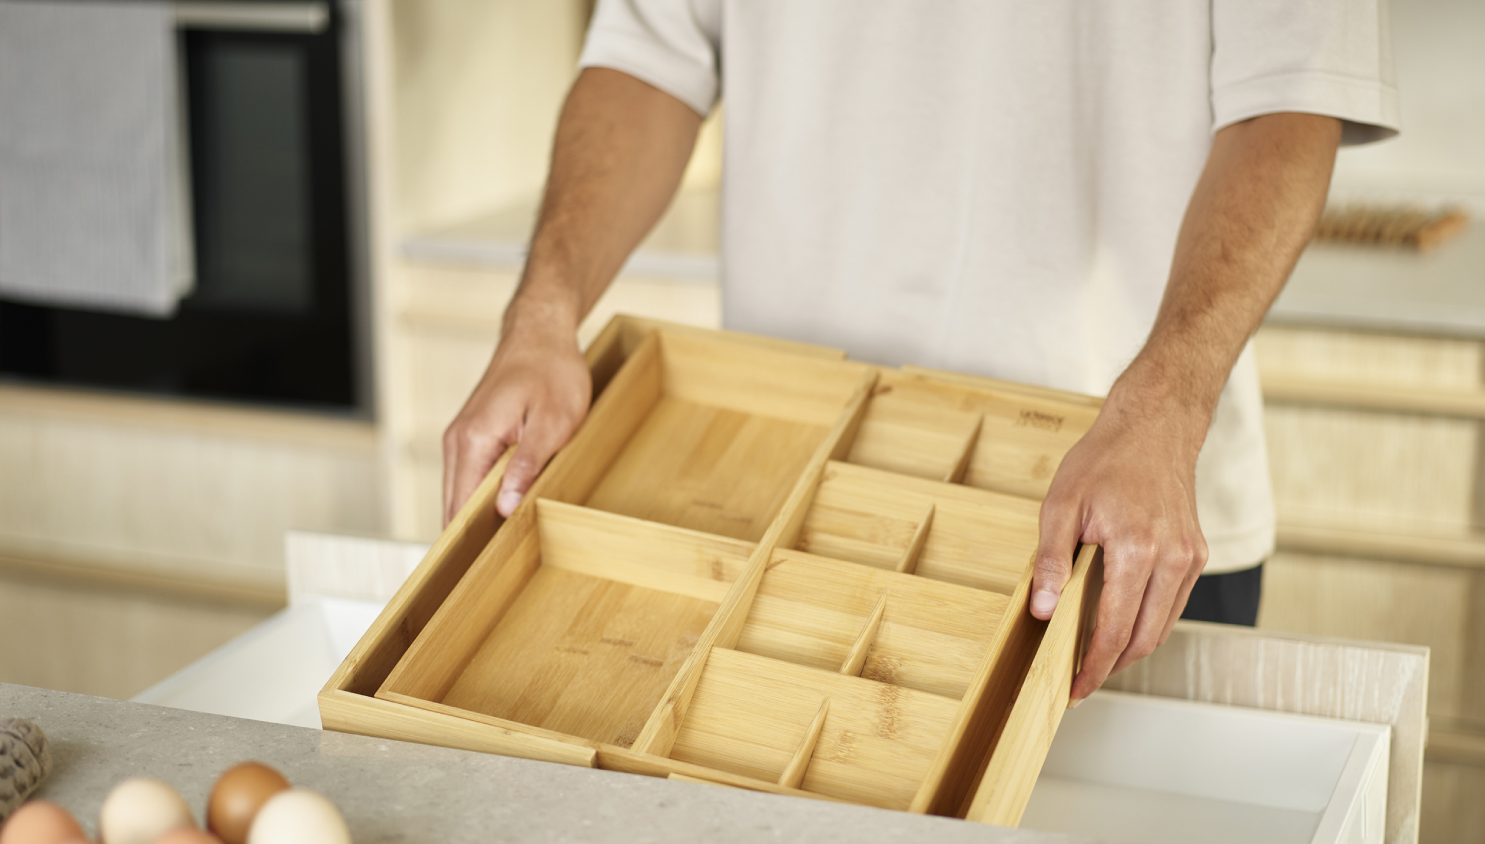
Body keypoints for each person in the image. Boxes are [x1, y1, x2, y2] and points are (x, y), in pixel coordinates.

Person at [441, 1, 1398, 704]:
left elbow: (1293, 99)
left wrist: (1168, 404)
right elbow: (652, 53)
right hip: (794, 500)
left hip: (1123, 517)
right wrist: (543, 313)